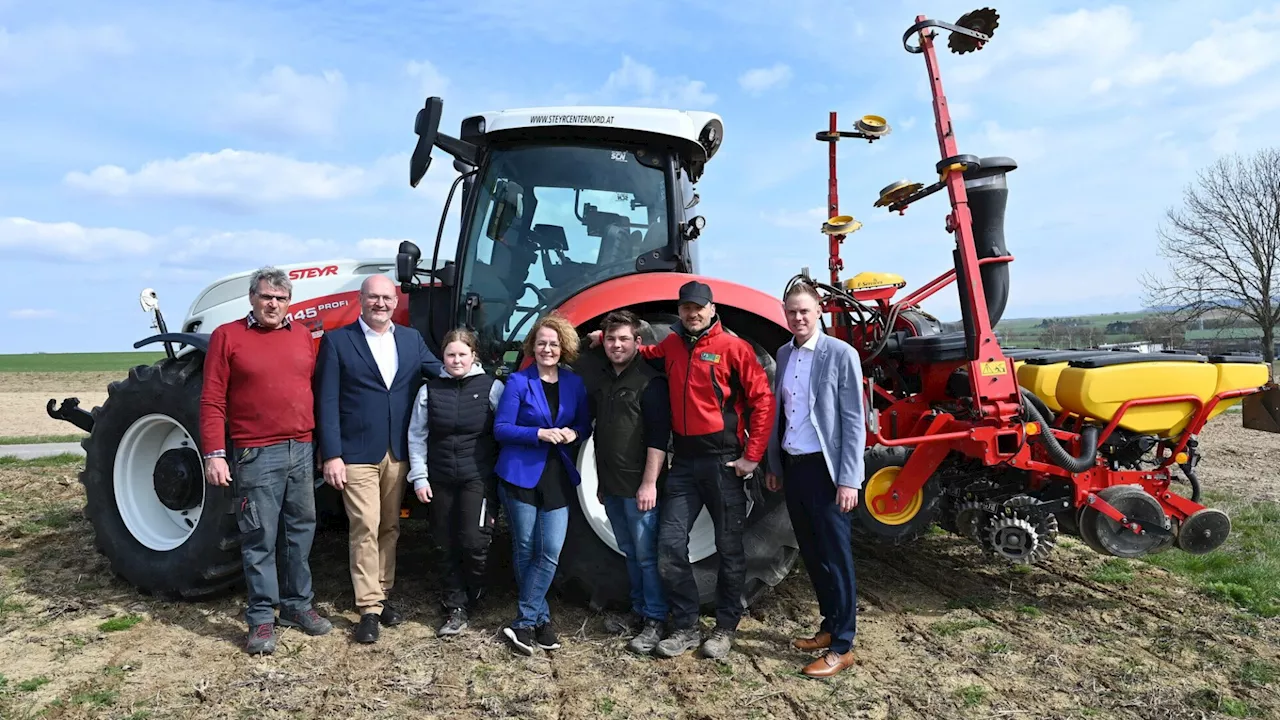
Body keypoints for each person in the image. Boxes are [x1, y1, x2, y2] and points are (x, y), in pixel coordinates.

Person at [588, 280, 774, 660]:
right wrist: (601, 336)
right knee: (669, 545)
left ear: (710, 308)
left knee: (729, 548)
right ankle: (686, 625)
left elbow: (763, 401)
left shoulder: (733, 348)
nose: (691, 313)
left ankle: (724, 628)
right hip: (684, 462)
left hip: (724, 461)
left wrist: (752, 456)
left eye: (698, 307)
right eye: (686, 308)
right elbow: (644, 351)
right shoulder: (671, 345)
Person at [200, 266, 332, 655]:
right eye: (265, 297)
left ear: (289, 302)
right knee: (259, 536)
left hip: (301, 448)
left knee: (300, 530)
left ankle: (297, 605)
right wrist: (214, 454)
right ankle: (260, 618)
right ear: (252, 298)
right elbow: (211, 400)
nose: (272, 304)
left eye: (280, 298)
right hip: (256, 451)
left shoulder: (302, 336)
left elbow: (311, 390)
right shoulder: (228, 337)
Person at [313, 274, 444, 644]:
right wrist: (332, 455)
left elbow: (441, 371)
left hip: (397, 451)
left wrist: (482, 377)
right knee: (365, 526)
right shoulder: (338, 342)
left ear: (394, 300)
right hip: (355, 454)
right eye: (373, 298)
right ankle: (368, 607)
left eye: (387, 298)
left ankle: (383, 595)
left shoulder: (410, 339)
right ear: (361, 299)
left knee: (389, 526)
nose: (381, 304)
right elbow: (326, 402)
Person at [765, 281, 865, 678]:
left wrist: (849, 479)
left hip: (827, 470)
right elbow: (782, 415)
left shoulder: (841, 354)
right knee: (813, 552)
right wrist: (775, 465)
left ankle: (843, 644)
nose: (798, 318)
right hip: (795, 466)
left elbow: (853, 421)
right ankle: (828, 626)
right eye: (791, 312)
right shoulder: (784, 353)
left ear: (819, 310)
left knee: (836, 556)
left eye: (804, 311)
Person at [493, 313, 593, 656]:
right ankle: (540, 620)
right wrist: (538, 433)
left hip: (557, 474)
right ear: (532, 347)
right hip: (520, 472)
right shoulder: (519, 383)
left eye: (554, 343)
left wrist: (573, 433)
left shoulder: (574, 383)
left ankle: (523, 621)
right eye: (542, 343)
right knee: (525, 549)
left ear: (562, 347)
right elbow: (501, 428)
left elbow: (584, 425)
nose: (548, 349)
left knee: (549, 550)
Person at [406, 328, 505, 638]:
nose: (456, 360)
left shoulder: (492, 388)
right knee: (445, 543)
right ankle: (455, 604)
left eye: (463, 354)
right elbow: (416, 436)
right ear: (443, 358)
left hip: (478, 477)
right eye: (451, 354)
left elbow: (504, 432)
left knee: (474, 542)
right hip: (440, 478)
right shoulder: (429, 391)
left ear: (473, 356)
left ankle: (475, 591)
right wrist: (419, 477)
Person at [583, 310, 671, 655]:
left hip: (640, 489)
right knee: (631, 553)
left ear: (638, 342)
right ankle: (638, 610)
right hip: (612, 486)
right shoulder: (603, 381)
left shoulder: (650, 382)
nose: (616, 345)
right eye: (610, 339)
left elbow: (657, 440)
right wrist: (602, 484)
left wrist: (649, 484)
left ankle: (655, 618)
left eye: (623, 339)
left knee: (647, 556)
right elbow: (601, 437)